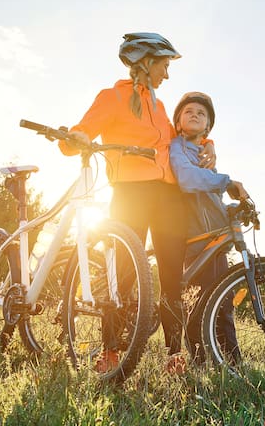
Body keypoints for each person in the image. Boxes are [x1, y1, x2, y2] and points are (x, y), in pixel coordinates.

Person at [60, 33, 213, 374]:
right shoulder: (112, 97)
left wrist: (210, 142)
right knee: (122, 279)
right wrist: (77, 138)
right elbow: (82, 132)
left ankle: (174, 356)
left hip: (168, 199)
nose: (167, 75)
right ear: (145, 62)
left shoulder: (159, 108)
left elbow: (181, 137)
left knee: (172, 279)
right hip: (130, 193)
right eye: (164, 65)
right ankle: (110, 351)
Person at [169, 91, 248, 365]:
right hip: (195, 237)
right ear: (178, 120)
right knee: (199, 302)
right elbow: (188, 179)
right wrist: (226, 182)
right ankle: (200, 362)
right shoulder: (176, 148)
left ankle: (232, 361)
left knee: (223, 302)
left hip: (216, 240)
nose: (195, 115)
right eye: (189, 111)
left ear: (208, 127)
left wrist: (232, 210)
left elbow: (211, 199)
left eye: (202, 114)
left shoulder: (206, 155)